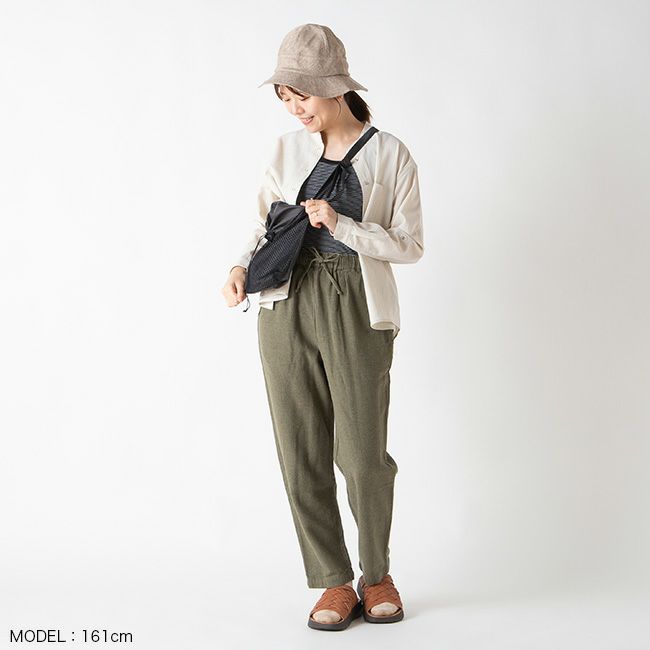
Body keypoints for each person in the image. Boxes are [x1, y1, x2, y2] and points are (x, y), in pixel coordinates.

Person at [222, 23, 424, 631]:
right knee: (300, 448)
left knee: (362, 454)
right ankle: (333, 580)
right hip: (285, 303)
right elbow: (261, 224)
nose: (295, 108)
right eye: (286, 97)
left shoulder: (390, 154)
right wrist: (238, 267)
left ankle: (376, 573)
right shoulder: (285, 150)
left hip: (355, 301)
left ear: (336, 88)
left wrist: (341, 225)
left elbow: (410, 245)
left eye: (302, 95)